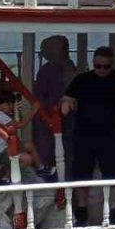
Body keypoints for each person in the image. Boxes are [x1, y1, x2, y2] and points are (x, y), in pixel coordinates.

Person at [60, 46, 115, 226]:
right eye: (97, 65)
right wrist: (66, 103)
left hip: (111, 133)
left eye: (105, 66)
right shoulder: (82, 80)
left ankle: (113, 209)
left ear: (111, 64)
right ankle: (82, 210)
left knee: (114, 173)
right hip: (84, 133)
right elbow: (66, 98)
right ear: (93, 63)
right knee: (81, 172)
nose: (101, 70)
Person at [32, 35, 77, 170]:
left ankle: (50, 167)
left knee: (52, 142)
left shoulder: (47, 70)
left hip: (52, 113)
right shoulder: (70, 66)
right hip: (59, 112)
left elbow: (40, 93)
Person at [0, 90, 48, 174]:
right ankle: (6, 178)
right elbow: (21, 125)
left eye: (12, 103)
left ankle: (41, 168)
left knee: (29, 145)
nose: (11, 106)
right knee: (27, 159)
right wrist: (34, 110)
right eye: (8, 104)